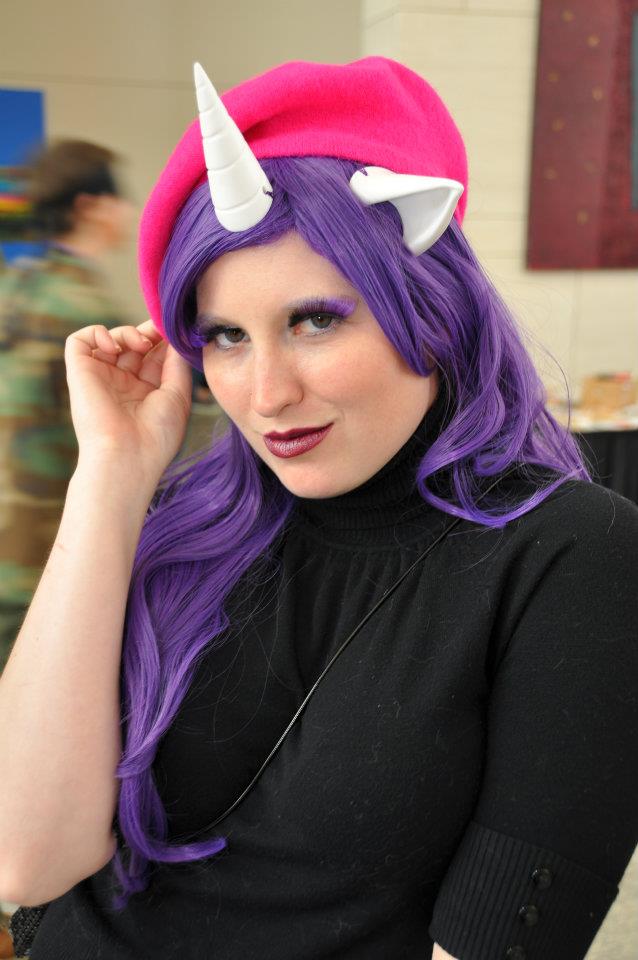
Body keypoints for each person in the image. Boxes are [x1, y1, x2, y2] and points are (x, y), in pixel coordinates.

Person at [1, 56, 637, 960]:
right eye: (226, 336)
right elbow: (25, 863)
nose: (265, 394)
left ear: (433, 310)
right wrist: (109, 474)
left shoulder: (572, 557)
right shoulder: (178, 522)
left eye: (316, 320)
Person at [0, 140, 134, 671]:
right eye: (119, 198)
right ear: (90, 206)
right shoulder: (88, 312)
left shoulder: (14, 288)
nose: (128, 212)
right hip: (40, 556)